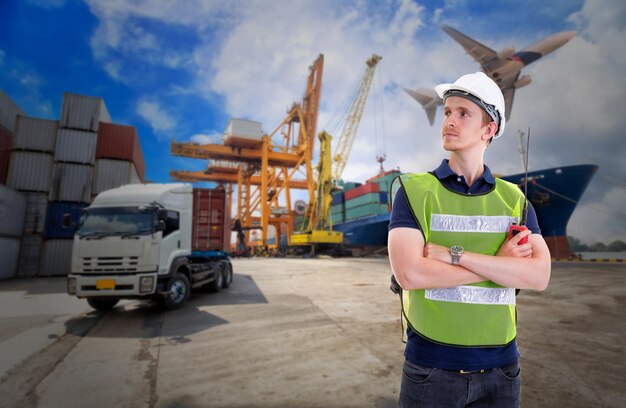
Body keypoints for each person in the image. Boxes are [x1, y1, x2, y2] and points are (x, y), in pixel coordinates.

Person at [388, 72, 551, 408]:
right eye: (448, 112)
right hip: (431, 366)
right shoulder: (413, 191)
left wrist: (454, 256)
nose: (449, 121)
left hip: (503, 369)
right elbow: (409, 275)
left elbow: (539, 276)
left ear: (488, 129)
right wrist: (502, 266)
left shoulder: (515, 200)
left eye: (464, 114)